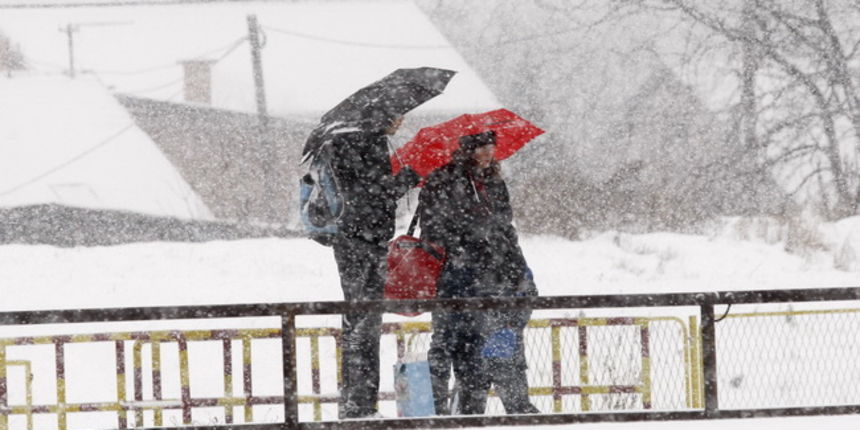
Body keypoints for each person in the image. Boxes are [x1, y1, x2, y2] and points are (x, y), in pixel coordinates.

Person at [418, 130, 539, 415]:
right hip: (458, 276)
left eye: (491, 147)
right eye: (482, 147)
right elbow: (433, 229)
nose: (489, 153)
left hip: (498, 274)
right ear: (466, 150)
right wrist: (470, 234)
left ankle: (515, 406)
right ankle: (448, 412)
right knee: (456, 343)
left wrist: (519, 268)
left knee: (503, 340)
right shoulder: (443, 180)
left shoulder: (494, 182)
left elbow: (506, 229)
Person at [328, 111, 420, 419]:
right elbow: (370, 193)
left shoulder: (353, 140)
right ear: (381, 116)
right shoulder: (361, 143)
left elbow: (369, 190)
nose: (400, 123)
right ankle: (359, 405)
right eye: (397, 116)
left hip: (359, 239)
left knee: (360, 320)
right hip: (360, 241)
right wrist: (406, 179)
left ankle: (357, 402)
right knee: (365, 321)